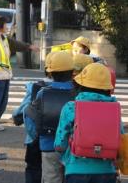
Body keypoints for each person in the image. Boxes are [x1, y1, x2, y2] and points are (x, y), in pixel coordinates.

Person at [54, 63, 122, 183]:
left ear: (80, 84)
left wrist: (65, 158)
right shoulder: (114, 109)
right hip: (106, 172)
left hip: (76, 171)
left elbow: (60, 144)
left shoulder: (71, 107)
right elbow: (120, 139)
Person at [27, 51, 75, 183]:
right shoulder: (78, 94)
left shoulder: (42, 93)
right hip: (73, 147)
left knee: (51, 178)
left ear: (51, 73)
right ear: (72, 72)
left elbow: (32, 118)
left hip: (48, 145)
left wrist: (36, 136)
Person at [12, 52, 54, 183]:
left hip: (36, 140)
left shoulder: (35, 87)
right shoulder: (73, 90)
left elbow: (21, 111)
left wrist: (16, 116)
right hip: (61, 144)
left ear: (47, 69)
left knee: (33, 169)